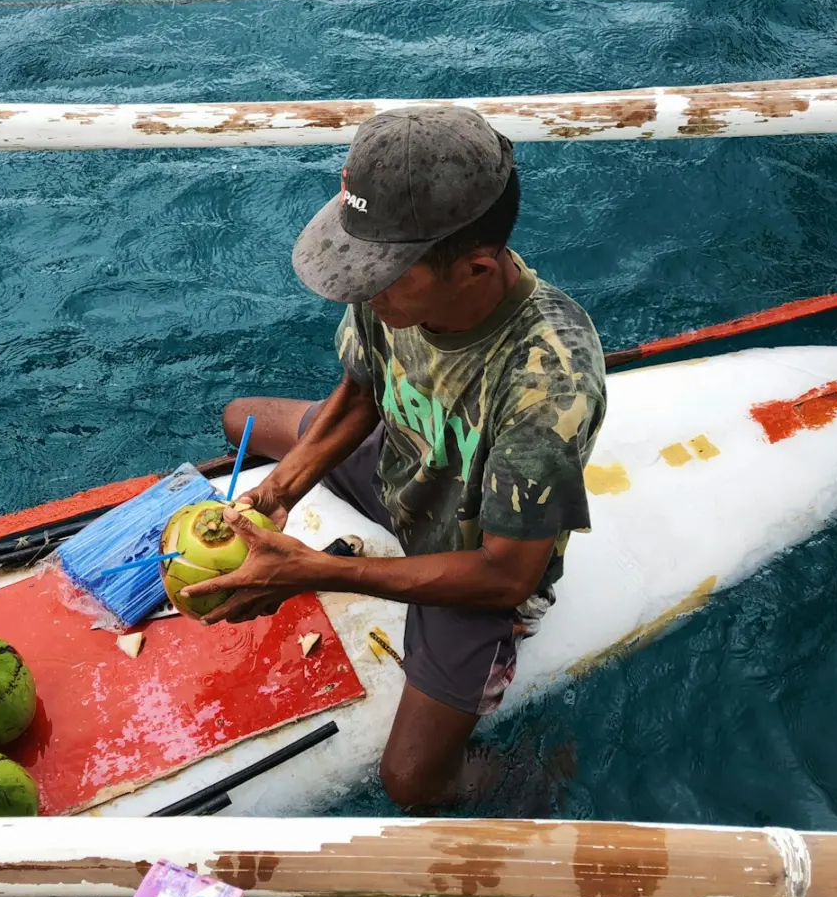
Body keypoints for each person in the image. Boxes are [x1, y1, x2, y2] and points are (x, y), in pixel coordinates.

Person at [183, 104, 607, 812]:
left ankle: (538, 775)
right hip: (400, 458)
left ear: (473, 268)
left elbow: (506, 575)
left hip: (469, 553)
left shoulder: (549, 381)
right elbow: (358, 395)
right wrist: (284, 489)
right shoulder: (385, 282)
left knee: (413, 783)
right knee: (242, 421)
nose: (358, 290)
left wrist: (320, 572)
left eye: (377, 278)